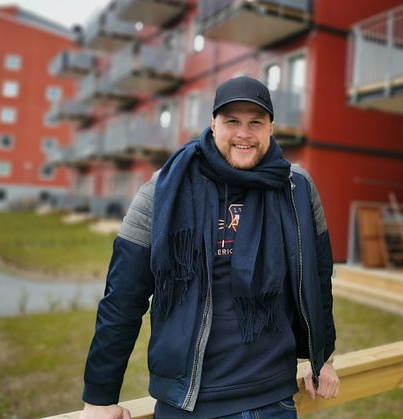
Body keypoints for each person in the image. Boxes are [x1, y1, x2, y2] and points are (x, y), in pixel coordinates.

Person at [81, 76, 338, 419]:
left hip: (272, 400)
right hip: (187, 404)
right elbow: (122, 297)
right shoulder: (162, 190)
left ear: (271, 128)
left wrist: (322, 359)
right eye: (232, 121)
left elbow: (319, 281)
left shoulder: (297, 189)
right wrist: (99, 397)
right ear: (213, 125)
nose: (244, 133)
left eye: (255, 122)